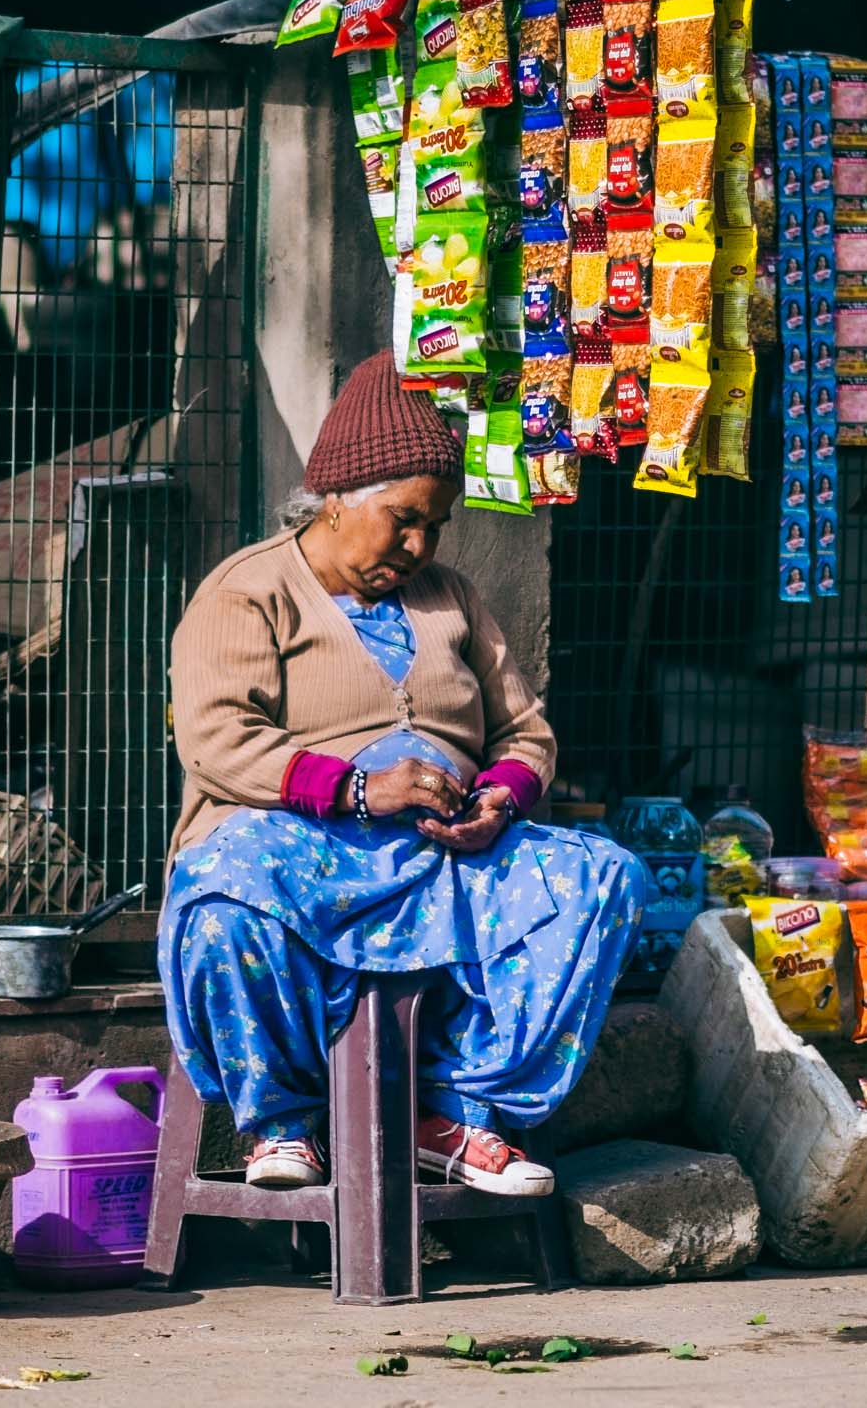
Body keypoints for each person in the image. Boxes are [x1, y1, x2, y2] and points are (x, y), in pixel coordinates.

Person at [158, 352, 646, 1197]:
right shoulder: (248, 592)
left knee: (600, 877)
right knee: (224, 890)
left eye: (436, 525)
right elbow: (215, 739)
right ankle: (283, 1122)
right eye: (403, 520)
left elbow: (527, 734)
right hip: (308, 856)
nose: (419, 545)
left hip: (448, 862)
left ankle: (454, 1113)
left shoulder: (450, 597)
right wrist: (356, 788)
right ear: (336, 498)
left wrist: (499, 799)